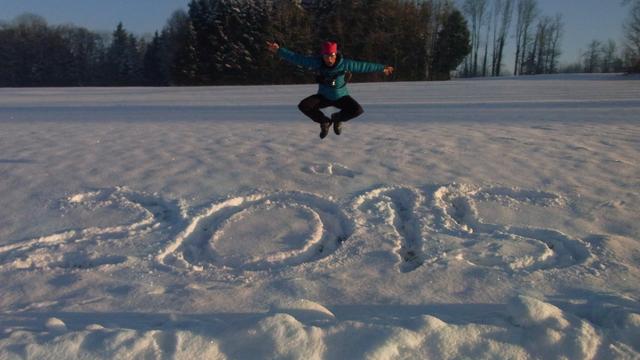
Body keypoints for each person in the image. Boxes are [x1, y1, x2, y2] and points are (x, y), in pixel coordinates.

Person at [267, 41, 394, 139]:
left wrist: (382, 68)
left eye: (332, 56)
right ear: (322, 56)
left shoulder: (344, 64)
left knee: (357, 110)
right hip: (323, 97)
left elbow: (363, 66)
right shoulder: (317, 63)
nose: (329, 59)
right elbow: (298, 58)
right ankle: (324, 121)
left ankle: (337, 118)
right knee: (304, 105)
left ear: (335, 54)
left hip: (341, 97)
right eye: (326, 56)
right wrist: (279, 51)